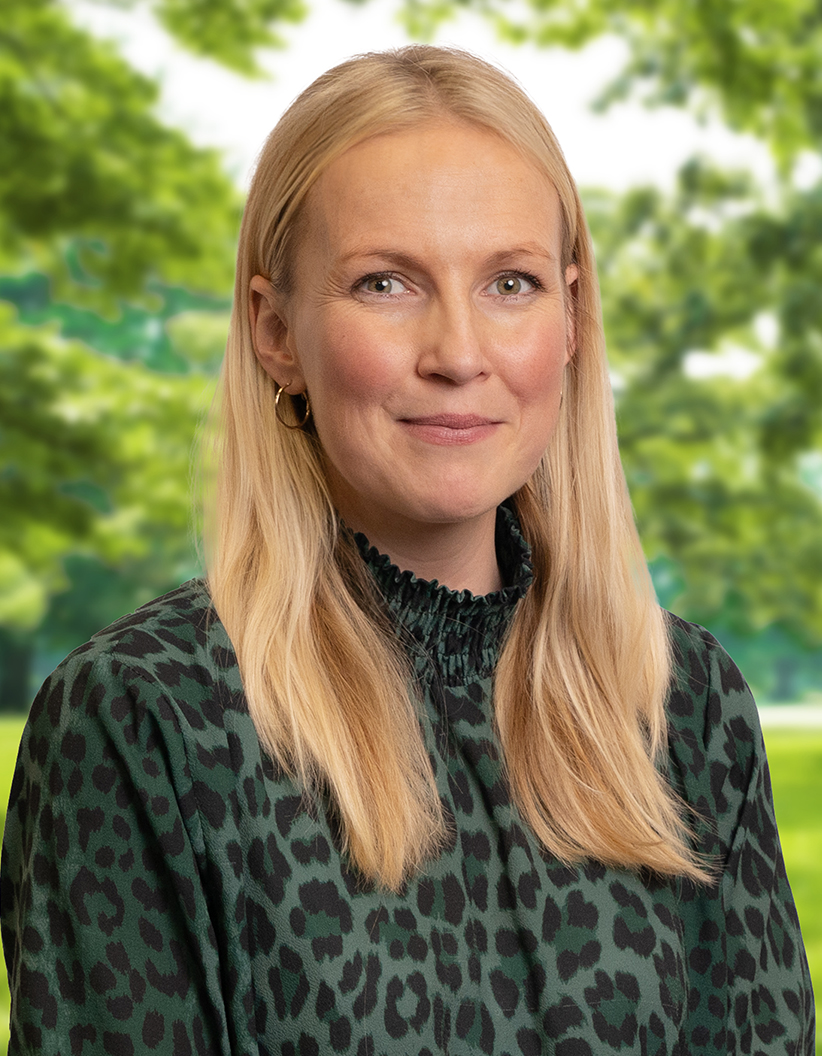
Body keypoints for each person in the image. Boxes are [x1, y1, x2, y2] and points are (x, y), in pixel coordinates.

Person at [1, 44, 815, 1056]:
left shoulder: (686, 706)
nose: (459, 354)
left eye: (511, 283)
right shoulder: (143, 720)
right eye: (386, 283)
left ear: (570, 318)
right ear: (275, 331)